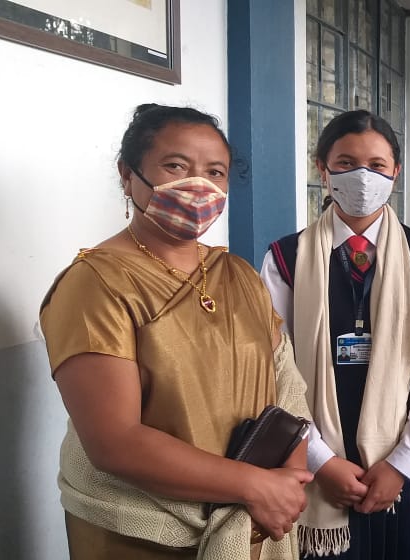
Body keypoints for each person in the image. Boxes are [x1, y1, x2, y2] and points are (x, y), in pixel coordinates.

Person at [40, 104, 314, 560]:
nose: (198, 186)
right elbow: (115, 442)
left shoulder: (239, 275)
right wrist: (253, 486)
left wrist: (287, 482)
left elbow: (286, 386)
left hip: (255, 524)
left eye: (215, 172)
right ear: (128, 175)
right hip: (140, 536)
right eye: (176, 166)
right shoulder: (96, 284)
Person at [259, 110, 410, 560]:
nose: (362, 176)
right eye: (347, 163)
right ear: (323, 169)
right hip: (313, 466)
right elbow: (274, 374)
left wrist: (400, 464)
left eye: (376, 164)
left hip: (408, 466)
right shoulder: (284, 261)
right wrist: (322, 461)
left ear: (395, 171)